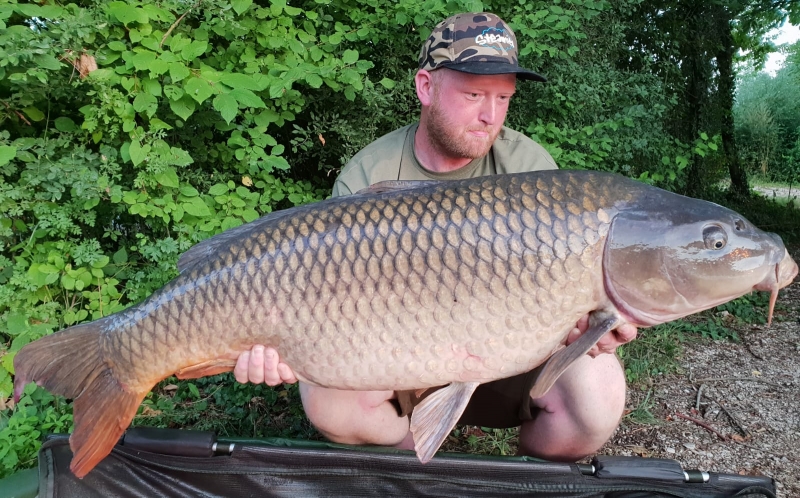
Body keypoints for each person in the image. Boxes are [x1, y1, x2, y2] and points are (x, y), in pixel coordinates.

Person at [234, 12, 637, 462]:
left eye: (504, 97)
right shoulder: (370, 174)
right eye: (473, 94)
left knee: (597, 399)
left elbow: (569, 292)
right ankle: (415, 466)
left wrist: (590, 325)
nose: (490, 116)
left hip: (509, 354)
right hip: (399, 360)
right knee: (327, 403)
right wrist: (279, 343)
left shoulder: (528, 167)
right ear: (425, 87)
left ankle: (524, 479)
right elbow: (325, 298)